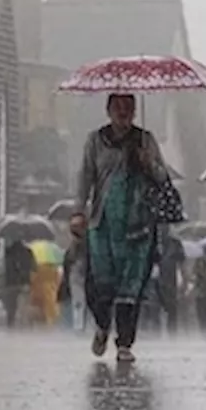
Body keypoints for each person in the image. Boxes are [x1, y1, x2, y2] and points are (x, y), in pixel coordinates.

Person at [74, 93, 170, 363]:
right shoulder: (95, 141)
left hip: (137, 225)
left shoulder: (145, 140)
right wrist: (78, 211)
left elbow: (163, 177)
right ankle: (103, 325)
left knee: (132, 285)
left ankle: (125, 342)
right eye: (118, 107)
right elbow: (85, 177)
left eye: (129, 107)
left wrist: (147, 162)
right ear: (108, 110)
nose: (123, 112)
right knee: (100, 285)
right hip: (103, 223)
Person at [59, 213, 88, 332]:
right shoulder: (71, 249)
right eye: (73, 226)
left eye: (78, 226)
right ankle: (78, 326)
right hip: (75, 278)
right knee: (78, 302)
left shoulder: (89, 245)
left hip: (88, 277)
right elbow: (67, 265)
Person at [1, 241, 34, 329]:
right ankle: (25, 325)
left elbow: (4, 267)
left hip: (10, 283)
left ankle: (10, 326)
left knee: (11, 307)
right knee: (24, 306)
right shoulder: (28, 252)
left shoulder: (7, 252)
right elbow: (33, 266)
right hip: (24, 283)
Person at [157, 233, 186, 336]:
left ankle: (172, 332)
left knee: (172, 308)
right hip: (154, 279)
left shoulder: (175, 243)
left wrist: (184, 279)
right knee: (153, 308)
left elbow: (182, 263)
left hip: (170, 279)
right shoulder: (151, 240)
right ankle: (156, 332)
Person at [190, 253, 206, 333]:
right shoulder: (199, 260)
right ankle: (204, 330)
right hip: (200, 292)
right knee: (201, 315)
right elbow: (194, 273)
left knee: (205, 314)